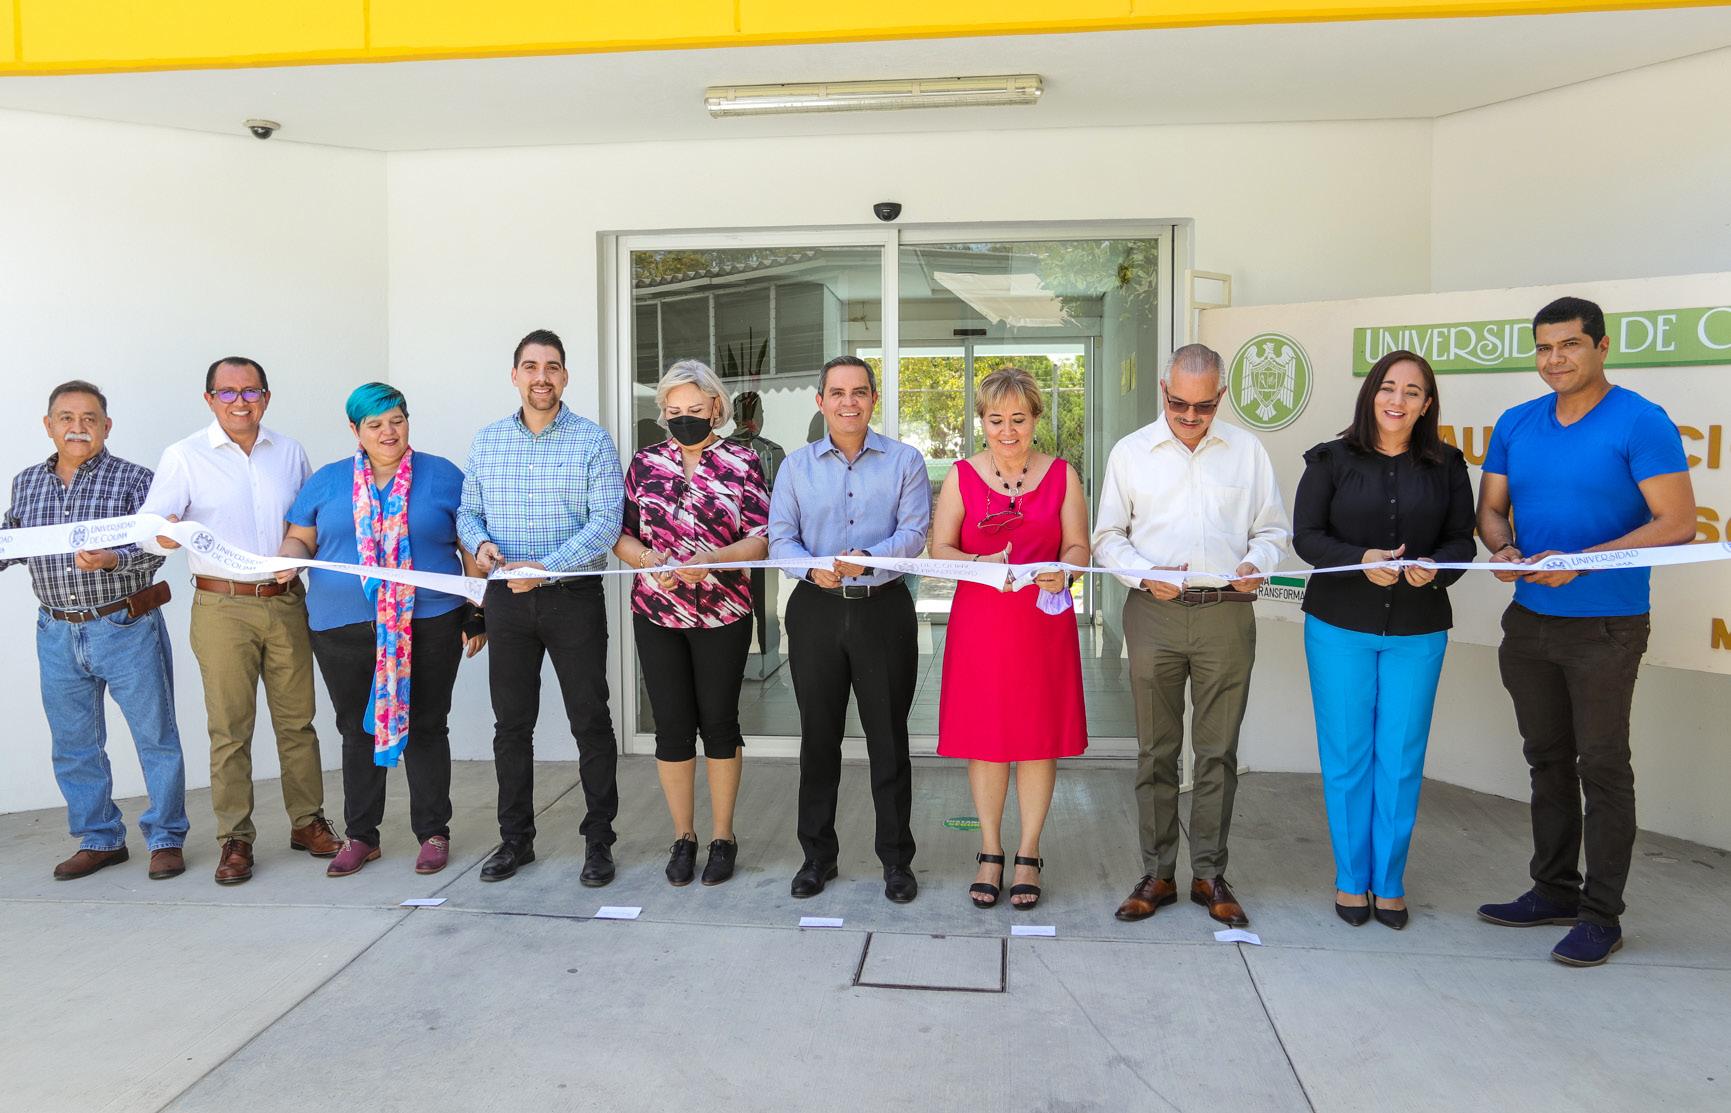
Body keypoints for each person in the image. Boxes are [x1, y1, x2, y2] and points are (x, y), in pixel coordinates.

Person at [1476, 297, 1695, 967]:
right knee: (1545, 760)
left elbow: (1677, 523)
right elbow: (1491, 509)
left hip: (1606, 626)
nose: (1554, 360)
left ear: (1601, 346)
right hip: (1529, 623)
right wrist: (1503, 547)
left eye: (1569, 344)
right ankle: (1553, 891)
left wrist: (1582, 561)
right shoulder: (1516, 422)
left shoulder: (1641, 420)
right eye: (1543, 347)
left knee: (1600, 767)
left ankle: (1601, 915)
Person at [1094, 343, 1290, 928]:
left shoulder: (1247, 452)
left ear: (1220, 397)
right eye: (1178, 403)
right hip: (1152, 611)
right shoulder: (1131, 452)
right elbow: (1107, 537)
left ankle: (1209, 874)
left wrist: (1257, 562)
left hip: (1225, 612)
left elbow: (1273, 529)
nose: (1188, 416)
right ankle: (1157, 873)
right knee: (1156, 750)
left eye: (1203, 407)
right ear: (1164, 390)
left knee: (1218, 751)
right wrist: (1143, 573)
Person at [1293, 350, 1475, 930]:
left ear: (1427, 404)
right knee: (1347, 757)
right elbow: (1306, 537)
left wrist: (1436, 569)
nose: (1398, 400)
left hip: (1418, 631)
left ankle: (1389, 881)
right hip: (1338, 628)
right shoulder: (1330, 459)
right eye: (1388, 387)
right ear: (1371, 393)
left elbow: (1462, 542)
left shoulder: (1448, 465)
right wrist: (1360, 558)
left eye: (1412, 392)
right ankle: (1351, 878)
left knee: (1400, 760)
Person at [141, 357, 338, 885]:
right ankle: (235, 839)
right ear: (209, 399)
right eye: (227, 392)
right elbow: (151, 533)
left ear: (266, 397)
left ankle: (308, 821)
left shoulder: (290, 452)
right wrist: (165, 533)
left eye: (251, 391)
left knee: (297, 721)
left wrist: (302, 560)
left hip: (285, 600)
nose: (240, 402)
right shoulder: (184, 456)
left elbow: (310, 524)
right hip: (222, 606)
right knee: (230, 728)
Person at [278, 383, 484, 879]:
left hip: (430, 621)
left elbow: (470, 544)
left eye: (397, 420)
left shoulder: (443, 475)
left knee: (427, 726)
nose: (388, 432)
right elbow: (299, 538)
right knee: (356, 729)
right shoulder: (327, 481)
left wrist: (478, 611)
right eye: (375, 424)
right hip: (341, 626)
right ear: (355, 430)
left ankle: (433, 833)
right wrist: (287, 560)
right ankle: (361, 836)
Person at [458, 329, 625, 886]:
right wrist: (482, 546)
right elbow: (468, 513)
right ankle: (515, 840)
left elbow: (606, 523)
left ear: (566, 376)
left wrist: (545, 568)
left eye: (552, 367)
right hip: (506, 602)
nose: (542, 377)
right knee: (511, 725)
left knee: (590, 721)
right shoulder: (487, 442)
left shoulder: (592, 441)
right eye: (531, 367)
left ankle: (598, 841)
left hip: (572, 598)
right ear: (515, 376)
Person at [3, 381, 186, 881]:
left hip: (124, 624)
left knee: (155, 736)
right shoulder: (26, 482)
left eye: (89, 418)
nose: (77, 427)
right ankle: (100, 838)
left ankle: (166, 837)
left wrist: (111, 560)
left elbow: (157, 550)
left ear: (107, 426)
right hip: (56, 630)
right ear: (49, 425)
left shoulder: (135, 480)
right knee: (74, 743)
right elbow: (14, 539)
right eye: (66, 417)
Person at [769, 355, 931, 903]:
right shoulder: (796, 467)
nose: (848, 402)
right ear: (820, 401)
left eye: (859, 391)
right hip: (815, 609)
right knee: (819, 738)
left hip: (882, 609)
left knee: (889, 739)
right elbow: (781, 538)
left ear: (873, 399)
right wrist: (808, 566)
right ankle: (817, 857)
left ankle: (897, 860)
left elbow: (914, 534)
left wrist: (869, 558)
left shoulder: (905, 460)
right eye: (836, 393)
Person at [931, 367, 1089, 911]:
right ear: (982, 421)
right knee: (987, 739)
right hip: (982, 623)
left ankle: (1029, 852)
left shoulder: (1063, 475)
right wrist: (980, 563)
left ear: (1036, 419)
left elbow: (1078, 547)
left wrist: (1065, 570)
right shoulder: (961, 476)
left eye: (1018, 419)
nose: (1007, 430)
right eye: (995, 419)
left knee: (1038, 739)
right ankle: (990, 850)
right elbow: (939, 550)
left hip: (1042, 623)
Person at [614, 361, 769, 887]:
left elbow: (762, 537)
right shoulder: (644, 463)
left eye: (695, 409)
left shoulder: (743, 462)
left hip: (724, 612)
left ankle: (723, 837)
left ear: (716, 408)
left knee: (720, 723)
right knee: (672, 727)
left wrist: (716, 559)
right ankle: (684, 837)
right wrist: (647, 562)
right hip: (657, 612)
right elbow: (622, 534)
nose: (684, 418)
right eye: (674, 410)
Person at [727, 390, 786, 659]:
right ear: (734, 417)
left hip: (764, 542)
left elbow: (784, 497)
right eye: (746, 415)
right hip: (729, 546)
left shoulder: (773, 451)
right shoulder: (719, 450)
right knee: (733, 605)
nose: (752, 421)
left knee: (766, 607)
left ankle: (769, 660)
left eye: (756, 414)